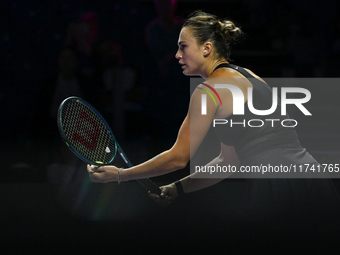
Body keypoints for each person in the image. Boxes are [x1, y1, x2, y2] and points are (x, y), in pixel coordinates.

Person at [86, 11, 340, 237]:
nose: (177, 55)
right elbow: (228, 162)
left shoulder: (209, 91)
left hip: (275, 185)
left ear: (206, 48)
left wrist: (120, 175)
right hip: (312, 177)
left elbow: (178, 158)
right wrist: (178, 187)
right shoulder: (250, 76)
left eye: (183, 47)